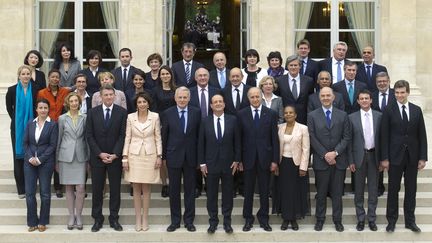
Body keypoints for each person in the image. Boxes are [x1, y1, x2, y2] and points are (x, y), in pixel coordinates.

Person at [380, 80, 428, 233]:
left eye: (402, 92)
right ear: (394, 94)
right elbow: (384, 136)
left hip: (412, 157)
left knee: (411, 190)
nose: (399, 95)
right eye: (397, 93)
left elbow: (422, 135)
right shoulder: (388, 110)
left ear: (408, 92)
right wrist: (385, 158)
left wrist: (422, 157)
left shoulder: (417, 110)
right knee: (393, 190)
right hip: (394, 157)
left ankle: (410, 221)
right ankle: (391, 221)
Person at [307, 87, 350, 232]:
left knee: (337, 193)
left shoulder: (343, 115)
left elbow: (346, 137)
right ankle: (320, 220)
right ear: (320, 98)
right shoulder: (312, 115)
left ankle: (337, 220)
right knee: (321, 193)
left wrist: (335, 153)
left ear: (333, 98)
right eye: (323, 95)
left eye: (328, 95)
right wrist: (325, 154)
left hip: (339, 161)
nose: (326, 98)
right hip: (321, 161)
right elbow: (311, 137)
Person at [86, 85, 127, 232]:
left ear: (115, 96)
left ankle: (114, 219)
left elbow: (123, 135)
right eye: (106, 95)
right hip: (98, 158)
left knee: (115, 189)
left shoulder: (122, 112)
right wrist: (99, 153)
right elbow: (89, 136)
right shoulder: (92, 113)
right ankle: (97, 219)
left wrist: (116, 153)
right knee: (97, 189)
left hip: (115, 158)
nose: (109, 97)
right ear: (101, 96)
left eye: (111, 95)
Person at [238, 87, 279, 232]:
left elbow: (275, 138)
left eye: (257, 97)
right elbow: (239, 139)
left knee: (264, 190)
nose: (255, 99)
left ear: (261, 97)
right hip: (247, 159)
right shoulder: (241, 114)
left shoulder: (271, 114)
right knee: (248, 191)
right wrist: (239, 160)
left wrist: (275, 160)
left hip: (265, 159)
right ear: (248, 99)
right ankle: (248, 219)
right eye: (252, 97)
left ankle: (264, 219)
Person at [198, 94, 240, 234]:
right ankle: (213, 222)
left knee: (228, 195)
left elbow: (237, 142)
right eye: (215, 102)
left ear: (224, 104)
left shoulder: (232, 120)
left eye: (220, 101)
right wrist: (202, 163)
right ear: (211, 105)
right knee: (211, 195)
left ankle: (227, 222)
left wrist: (237, 159)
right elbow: (201, 144)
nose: (217, 104)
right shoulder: (205, 121)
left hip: (229, 164)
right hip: (210, 164)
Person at [161, 86, 201, 232]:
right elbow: (164, 136)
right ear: (175, 98)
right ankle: (175, 221)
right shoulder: (167, 113)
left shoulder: (196, 112)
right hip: (173, 157)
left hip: (191, 157)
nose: (182, 100)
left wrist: (199, 158)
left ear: (189, 98)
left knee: (190, 190)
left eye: (185, 97)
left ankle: (189, 221)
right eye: (180, 97)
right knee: (174, 190)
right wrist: (163, 157)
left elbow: (199, 136)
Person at [122, 92, 162, 231]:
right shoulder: (130, 117)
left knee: (146, 188)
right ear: (136, 104)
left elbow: (158, 137)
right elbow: (128, 137)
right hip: (134, 155)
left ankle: (145, 218)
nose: (142, 104)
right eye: (139, 102)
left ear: (148, 103)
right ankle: (137, 219)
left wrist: (159, 156)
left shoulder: (155, 116)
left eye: (144, 102)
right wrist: (124, 157)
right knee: (136, 188)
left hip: (150, 155)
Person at [348, 90, 381, 232]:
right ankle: (361, 219)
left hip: (375, 157)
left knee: (373, 190)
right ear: (358, 101)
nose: (364, 101)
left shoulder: (379, 116)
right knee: (359, 191)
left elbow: (383, 139)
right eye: (361, 99)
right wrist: (351, 161)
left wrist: (383, 159)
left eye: (367, 98)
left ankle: (372, 219)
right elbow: (348, 141)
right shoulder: (351, 117)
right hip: (359, 157)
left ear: (371, 100)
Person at [23, 99, 58, 232]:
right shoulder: (30, 124)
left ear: (48, 109)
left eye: (45, 108)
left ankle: (43, 221)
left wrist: (40, 159)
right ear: (36, 109)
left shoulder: (53, 125)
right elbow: (25, 143)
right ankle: (32, 221)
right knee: (30, 193)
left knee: (45, 193)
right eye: (40, 108)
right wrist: (31, 157)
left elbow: (52, 145)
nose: (43, 110)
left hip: (46, 163)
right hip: (30, 163)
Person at [56, 93, 89, 230]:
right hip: (65, 156)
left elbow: (87, 139)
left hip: (81, 156)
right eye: (72, 101)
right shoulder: (62, 118)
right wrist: (56, 160)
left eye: (76, 101)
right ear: (67, 103)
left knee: (80, 188)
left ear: (79, 102)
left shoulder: (85, 118)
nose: (74, 103)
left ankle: (79, 215)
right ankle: (71, 216)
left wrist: (89, 159)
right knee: (69, 187)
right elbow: (59, 138)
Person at [6, 65, 39, 199]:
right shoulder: (12, 90)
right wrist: (18, 120)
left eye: (28, 74)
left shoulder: (36, 90)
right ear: (19, 75)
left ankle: (31, 186)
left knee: (32, 154)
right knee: (18, 158)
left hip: (33, 127)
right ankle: (21, 189)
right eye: (23, 74)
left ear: (31, 75)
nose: (26, 76)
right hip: (17, 129)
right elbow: (9, 109)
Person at [37, 69, 70, 198]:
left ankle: (58, 187)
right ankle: (44, 185)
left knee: (58, 154)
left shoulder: (65, 92)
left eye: (57, 77)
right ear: (48, 78)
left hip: (61, 126)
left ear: (59, 79)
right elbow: (39, 109)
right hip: (47, 126)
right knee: (47, 153)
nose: (55, 79)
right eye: (52, 77)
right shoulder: (42, 93)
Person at [189, 67, 220, 197]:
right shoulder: (189, 92)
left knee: (210, 156)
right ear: (195, 78)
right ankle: (197, 186)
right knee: (196, 157)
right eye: (200, 76)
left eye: (205, 75)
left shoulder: (216, 91)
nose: (202, 78)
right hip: (194, 130)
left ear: (209, 77)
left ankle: (209, 185)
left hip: (211, 129)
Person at [278, 105, 310, 231]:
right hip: (283, 164)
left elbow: (306, 149)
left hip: (296, 164)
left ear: (296, 115)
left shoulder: (303, 128)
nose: (288, 114)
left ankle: (294, 218)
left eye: (291, 112)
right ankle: (286, 218)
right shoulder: (279, 128)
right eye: (286, 113)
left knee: (295, 191)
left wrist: (303, 167)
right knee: (284, 191)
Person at [371, 72, 396, 196]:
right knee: (378, 162)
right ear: (376, 83)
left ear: (389, 80)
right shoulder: (372, 96)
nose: (382, 83)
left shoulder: (395, 94)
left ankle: (393, 188)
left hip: (394, 135)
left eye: (384, 81)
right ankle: (379, 187)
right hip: (377, 135)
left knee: (394, 163)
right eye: (379, 81)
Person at [275, 55, 314, 125]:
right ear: (287, 67)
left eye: (295, 65)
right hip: (286, 118)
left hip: (303, 119)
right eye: (291, 65)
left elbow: (310, 99)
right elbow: (278, 100)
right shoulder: (279, 80)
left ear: (300, 66)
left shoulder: (308, 80)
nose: (293, 67)